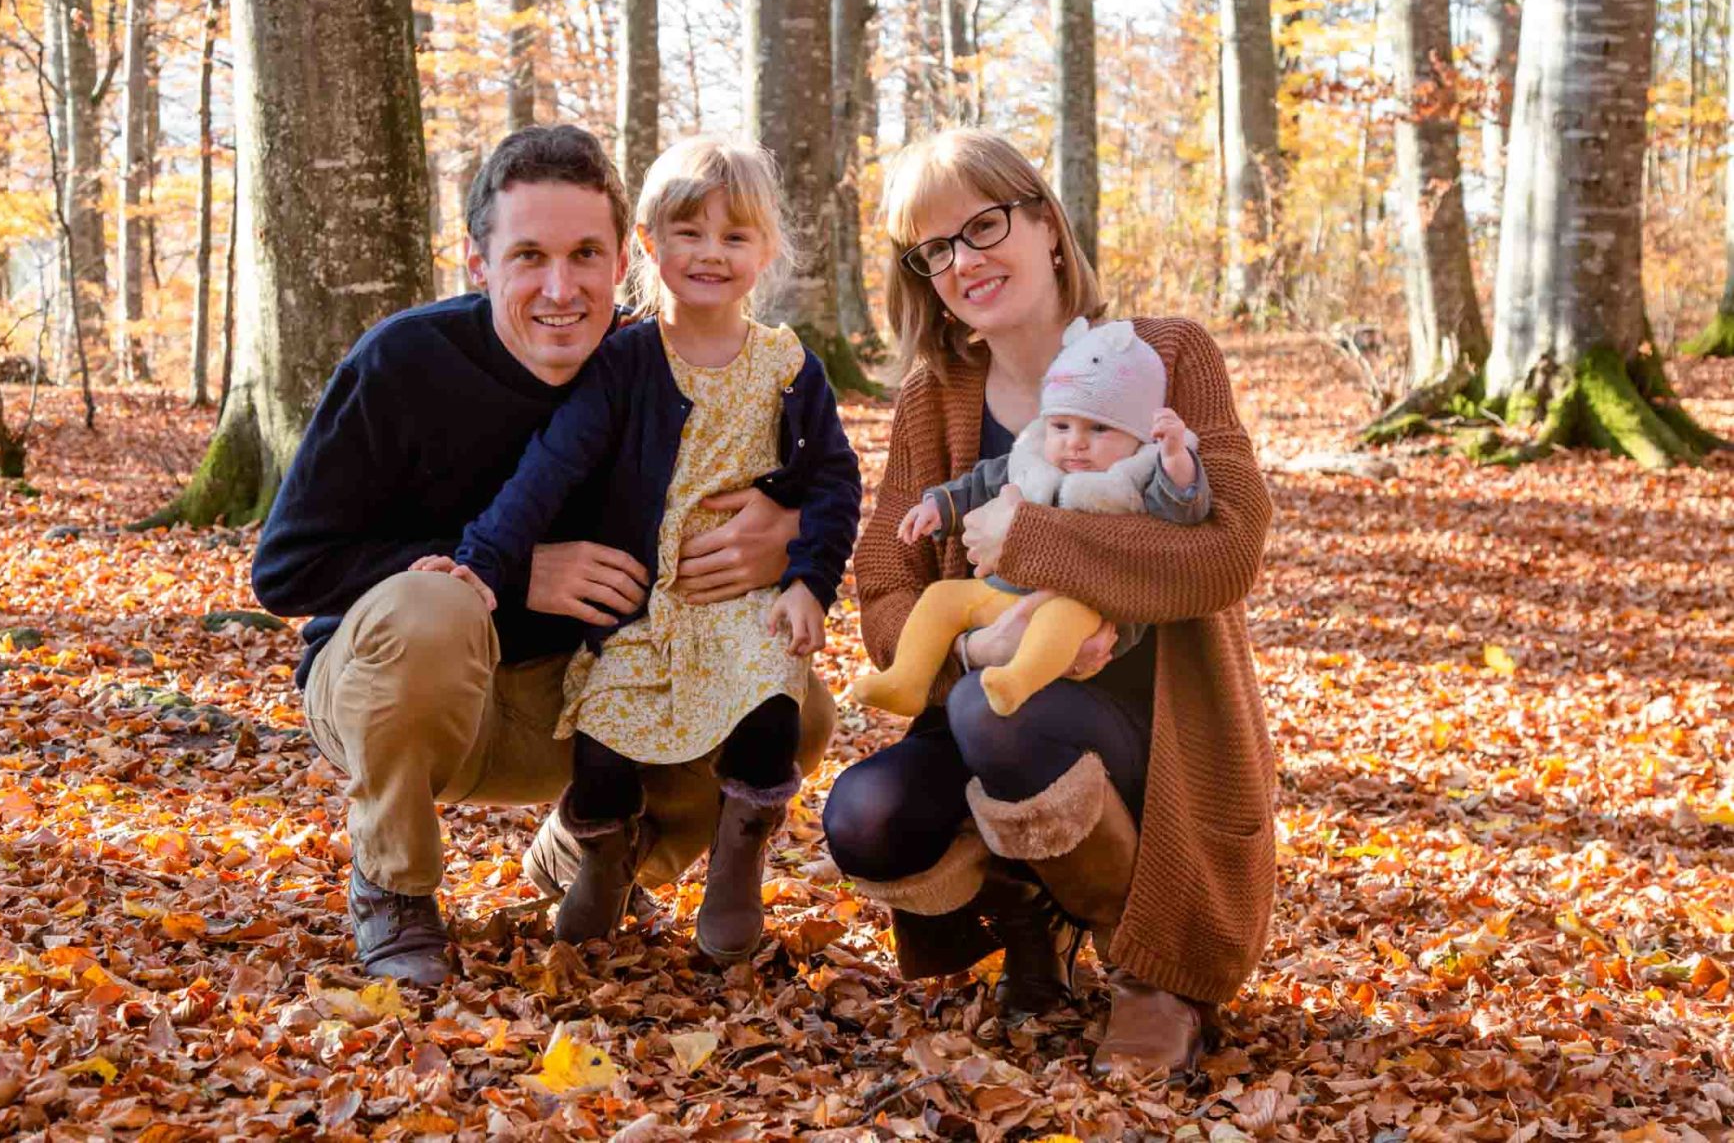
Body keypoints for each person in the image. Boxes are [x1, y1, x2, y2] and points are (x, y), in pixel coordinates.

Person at [251, 124, 839, 987]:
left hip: (583, 697)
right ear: (477, 260)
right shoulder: (406, 364)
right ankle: (393, 887)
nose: (560, 289)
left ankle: (594, 848)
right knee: (436, 605)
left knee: (796, 706)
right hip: (411, 698)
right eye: (528, 256)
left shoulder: (656, 362)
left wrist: (785, 534)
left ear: (620, 261)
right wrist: (520, 573)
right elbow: (287, 571)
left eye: (584, 256)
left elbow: (794, 472)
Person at [820, 128, 1275, 1081]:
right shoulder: (932, 399)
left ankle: (1150, 974)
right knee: (867, 816)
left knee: (1000, 718)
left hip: (1156, 717)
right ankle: (1028, 923)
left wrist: (1034, 546)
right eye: (934, 249)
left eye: (983, 226)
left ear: (1046, 225)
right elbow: (885, 575)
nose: (964, 261)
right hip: (986, 686)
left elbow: (1228, 548)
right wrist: (981, 633)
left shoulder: (1168, 355)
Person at [433, 136, 861, 961]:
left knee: (772, 706)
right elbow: (550, 468)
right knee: (604, 736)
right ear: (650, 246)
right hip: (641, 603)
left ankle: (739, 856)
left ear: (766, 251)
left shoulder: (787, 367)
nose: (710, 254)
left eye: (734, 237)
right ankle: (603, 855)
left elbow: (836, 485)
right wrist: (485, 560)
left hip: (742, 601)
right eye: (688, 233)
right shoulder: (624, 360)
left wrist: (810, 582)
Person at [848, 314, 1208, 719]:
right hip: (1001, 594)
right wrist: (937, 507)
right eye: (1061, 425)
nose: (1075, 443)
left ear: (1138, 435)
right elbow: (979, 484)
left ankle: (1016, 679)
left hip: (1087, 609)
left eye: (1099, 430)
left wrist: (1177, 461)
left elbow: (1183, 512)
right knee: (941, 598)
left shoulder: (1135, 475)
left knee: (1060, 620)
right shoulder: (1033, 458)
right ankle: (907, 680)